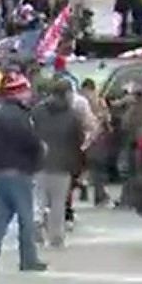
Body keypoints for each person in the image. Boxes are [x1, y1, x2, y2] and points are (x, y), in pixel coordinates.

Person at [0, 73, 47, 272]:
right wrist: (40, 148)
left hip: (0, 170)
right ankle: (28, 260)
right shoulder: (18, 116)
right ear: (18, 93)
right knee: (25, 218)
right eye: (25, 90)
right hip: (18, 170)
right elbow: (28, 140)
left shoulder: (0, 114)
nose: (29, 94)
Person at [31, 80, 85, 248]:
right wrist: (78, 168)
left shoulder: (37, 111)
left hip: (39, 162)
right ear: (66, 94)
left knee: (39, 198)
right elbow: (78, 141)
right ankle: (56, 237)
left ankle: (36, 224)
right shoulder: (72, 116)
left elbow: (31, 133)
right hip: (63, 164)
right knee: (58, 204)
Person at [79, 78, 112, 206]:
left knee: (87, 166)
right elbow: (106, 118)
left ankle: (84, 185)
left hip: (84, 137)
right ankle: (100, 196)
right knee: (98, 167)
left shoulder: (80, 102)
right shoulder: (99, 101)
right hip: (97, 137)